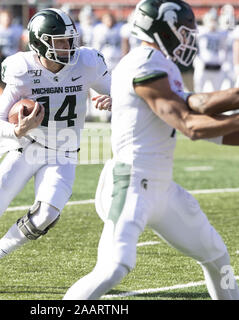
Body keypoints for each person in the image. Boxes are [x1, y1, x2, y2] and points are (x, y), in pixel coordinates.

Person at [63, 0, 239, 300]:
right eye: (183, 31)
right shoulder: (143, 62)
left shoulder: (160, 63)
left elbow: (200, 104)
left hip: (160, 187)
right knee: (113, 268)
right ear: (163, 29)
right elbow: (190, 125)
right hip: (129, 183)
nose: (188, 39)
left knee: (216, 256)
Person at [0, 8, 111, 294]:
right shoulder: (23, 69)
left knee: (46, 216)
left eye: (69, 39)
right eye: (60, 41)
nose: (68, 47)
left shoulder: (86, 62)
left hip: (63, 151)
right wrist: (18, 130)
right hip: (27, 147)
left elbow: (114, 92)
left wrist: (109, 100)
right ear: (40, 43)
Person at [193, 8, 228, 92]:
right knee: (198, 91)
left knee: (217, 92)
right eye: (211, 20)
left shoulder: (222, 33)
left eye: (214, 20)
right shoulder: (201, 31)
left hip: (217, 67)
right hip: (203, 67)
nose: (212, 22)